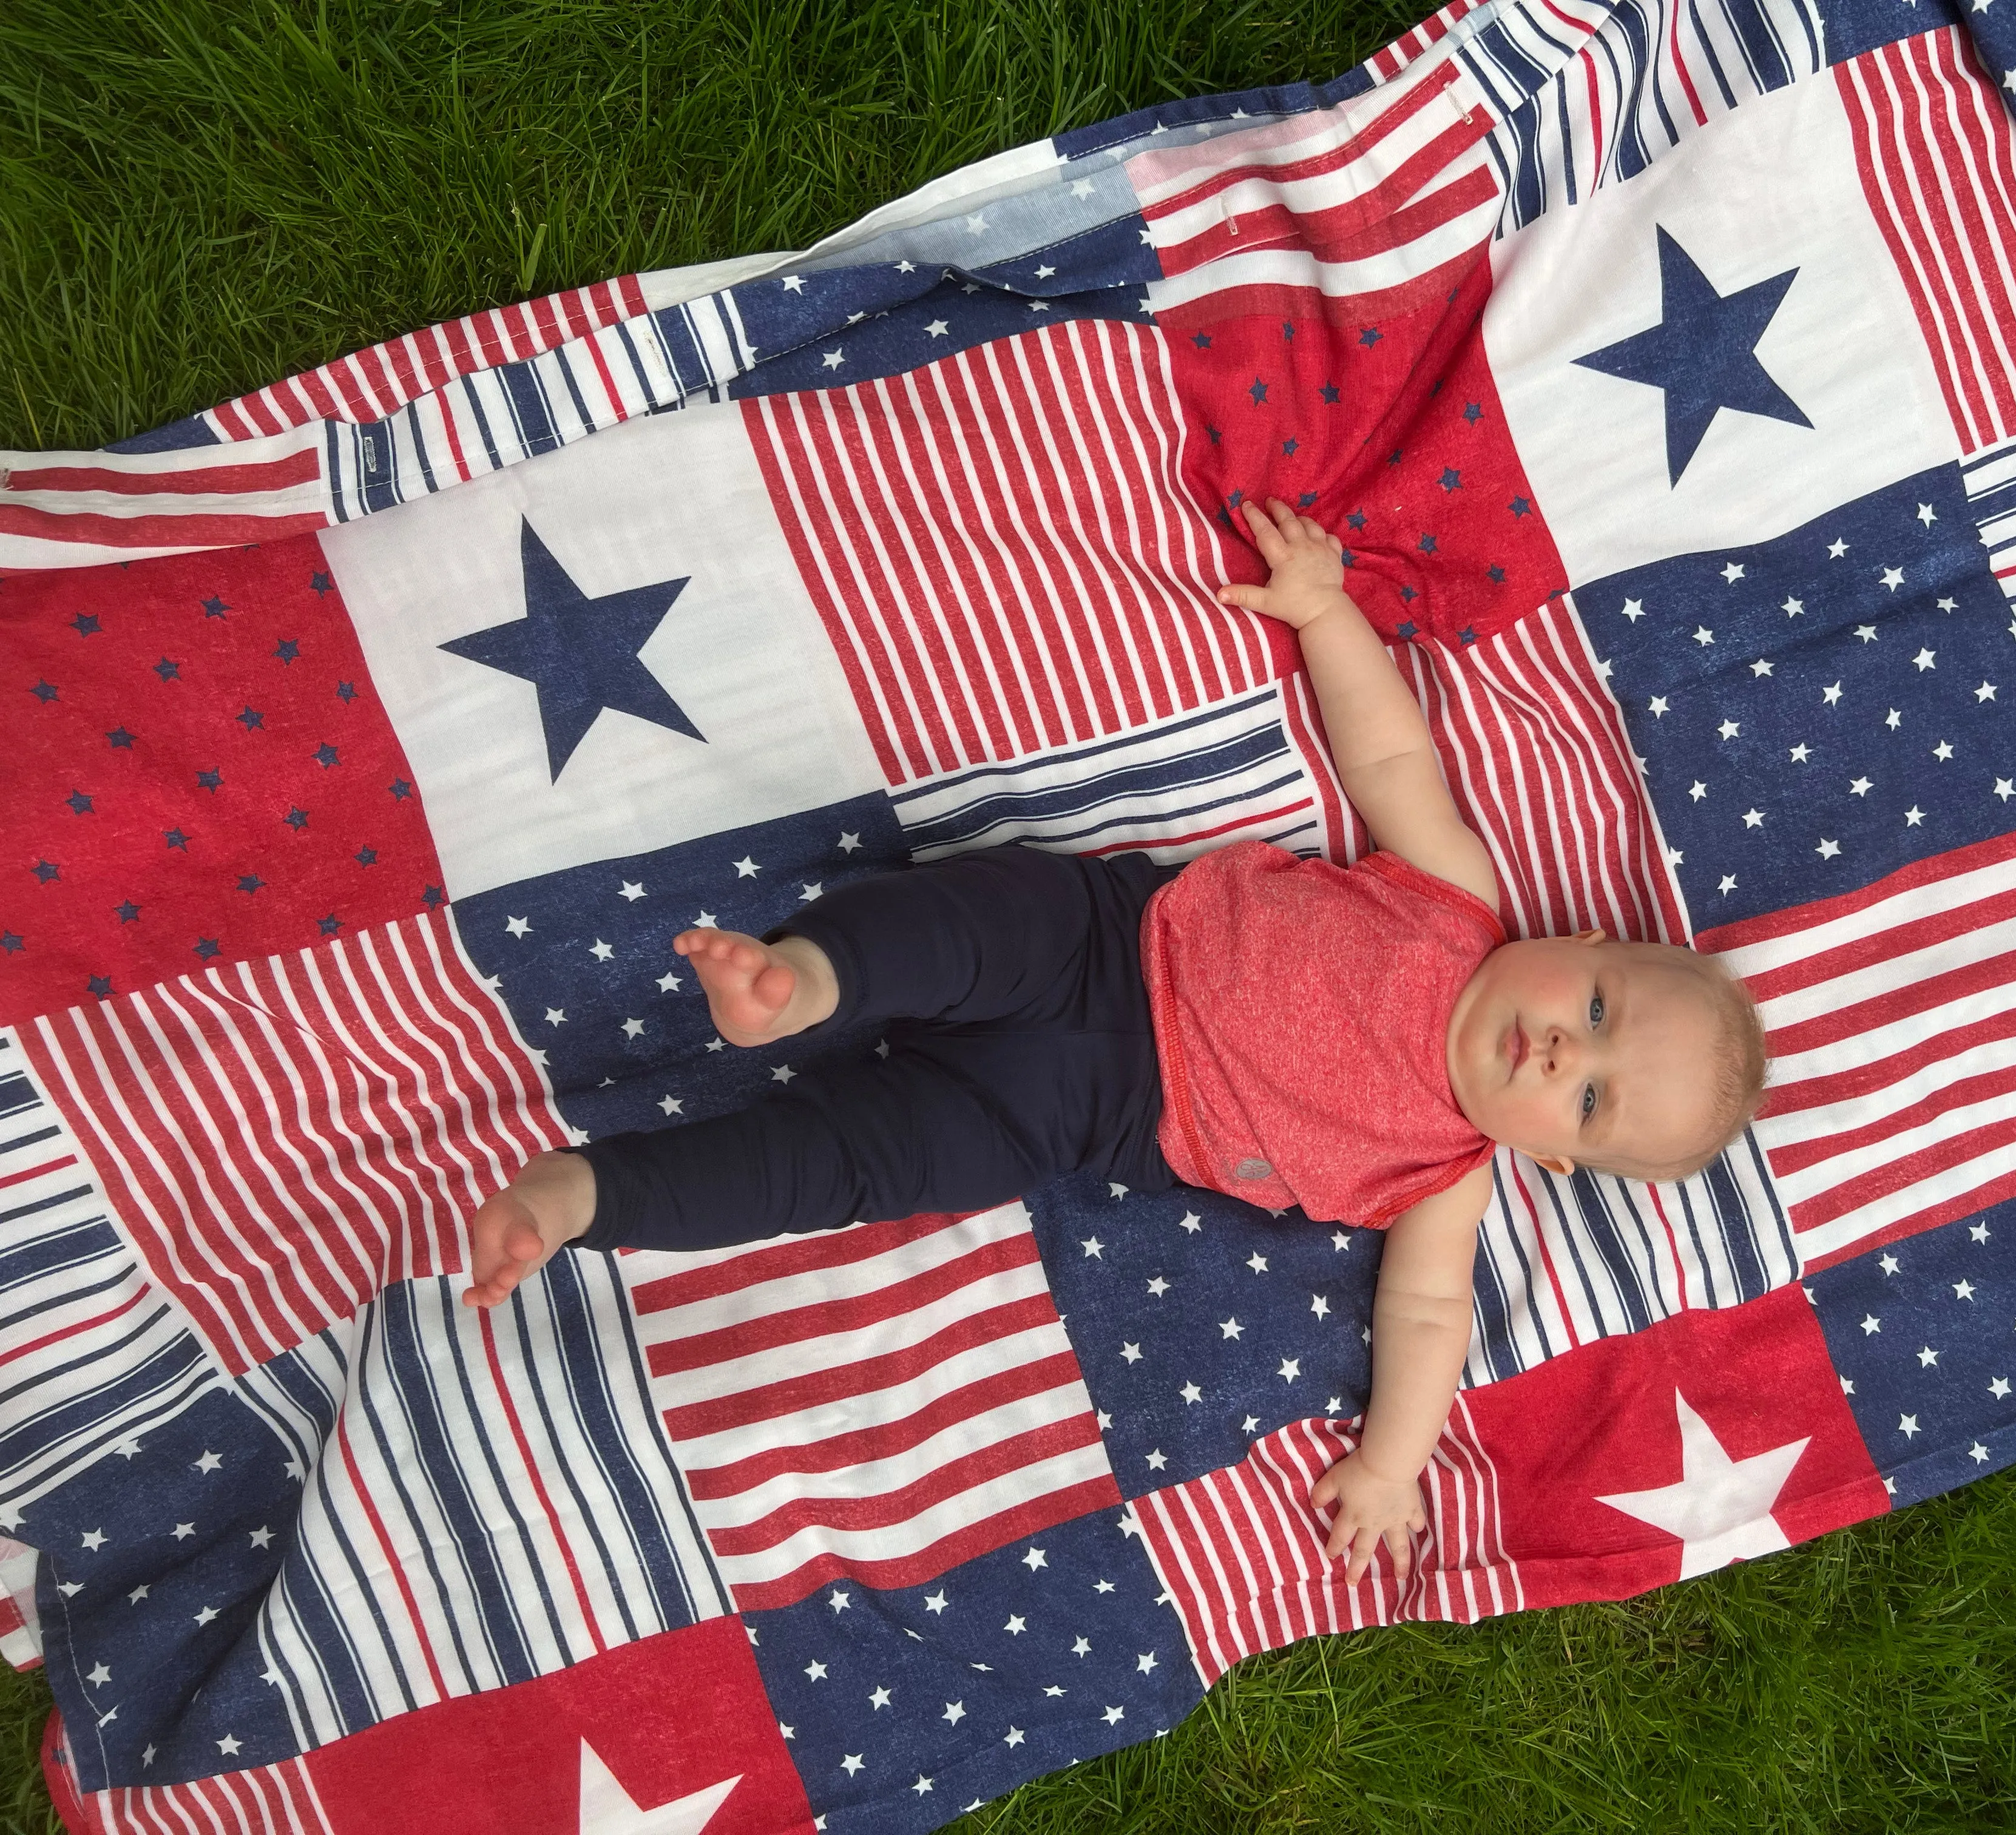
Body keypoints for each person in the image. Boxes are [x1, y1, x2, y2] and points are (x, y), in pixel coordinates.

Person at [462, 496, 1768, 1586]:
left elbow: (1427, 1315)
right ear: (1581, 941)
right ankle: (804, 978)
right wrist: (1326, 610)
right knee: (963, 918)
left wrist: (1391, 1465)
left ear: (1557, 1161)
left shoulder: (1446, 1176)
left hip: (1073, 1115)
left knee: (851, 1165)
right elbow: (1389, 754)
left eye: (1589, 1103)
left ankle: (593, 1193)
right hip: (1102, 938)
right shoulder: (1453, 895)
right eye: (1596, 1012)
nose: (1558, 1055)